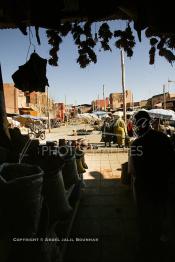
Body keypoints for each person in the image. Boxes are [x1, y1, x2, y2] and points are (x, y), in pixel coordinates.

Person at [128, 110, 175, 261]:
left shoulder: (136, 145)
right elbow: (171, 163)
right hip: (162, 185)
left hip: (144, 188)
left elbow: (132, 171)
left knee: (144, 219)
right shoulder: (163, 138)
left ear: (137, 125)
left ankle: (145, 248)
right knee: (160, 215)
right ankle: (160, 243)